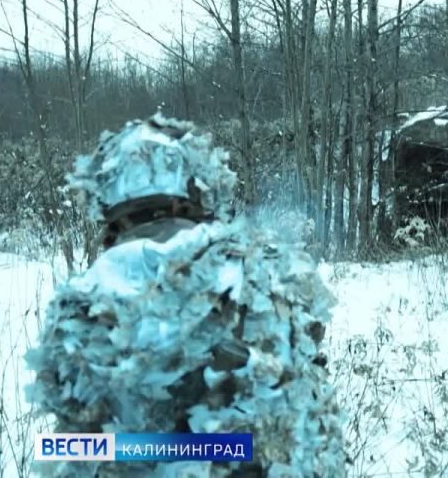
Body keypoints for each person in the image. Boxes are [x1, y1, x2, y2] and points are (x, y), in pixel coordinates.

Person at [26, 113, 344, 477]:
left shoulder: (73, 309)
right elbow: (308, 430)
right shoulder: (262, 275)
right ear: (194, 191)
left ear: (110, 205)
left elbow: (73, 448)